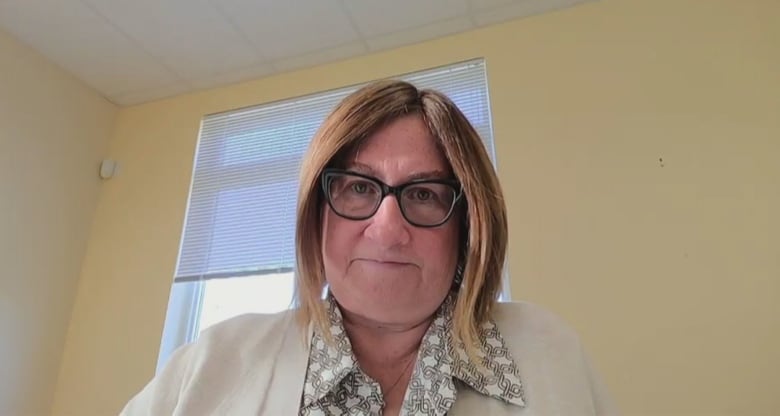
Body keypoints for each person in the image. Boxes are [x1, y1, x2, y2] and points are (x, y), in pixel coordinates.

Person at [121, 80, 618, 415]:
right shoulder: (213, 363)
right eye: (359, 188)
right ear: (317, 214)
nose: (387, 230)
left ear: (467, 226)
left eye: (424, 194)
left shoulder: (549, 352)